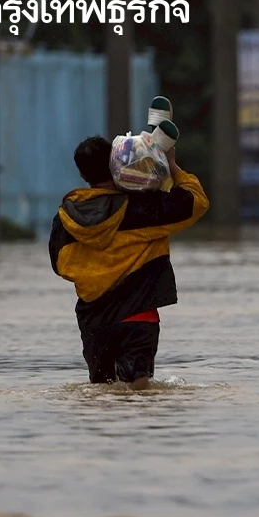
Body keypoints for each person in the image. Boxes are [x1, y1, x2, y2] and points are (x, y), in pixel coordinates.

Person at [49, 136, 209, 390]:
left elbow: (60, 266)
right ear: (117, 164)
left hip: (94, 321)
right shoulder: (141, 207)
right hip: (138, 315)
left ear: (81, 174)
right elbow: (196, 202)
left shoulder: (65, 218)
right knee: (138, 391)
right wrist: (173, 166)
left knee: (103, 394)